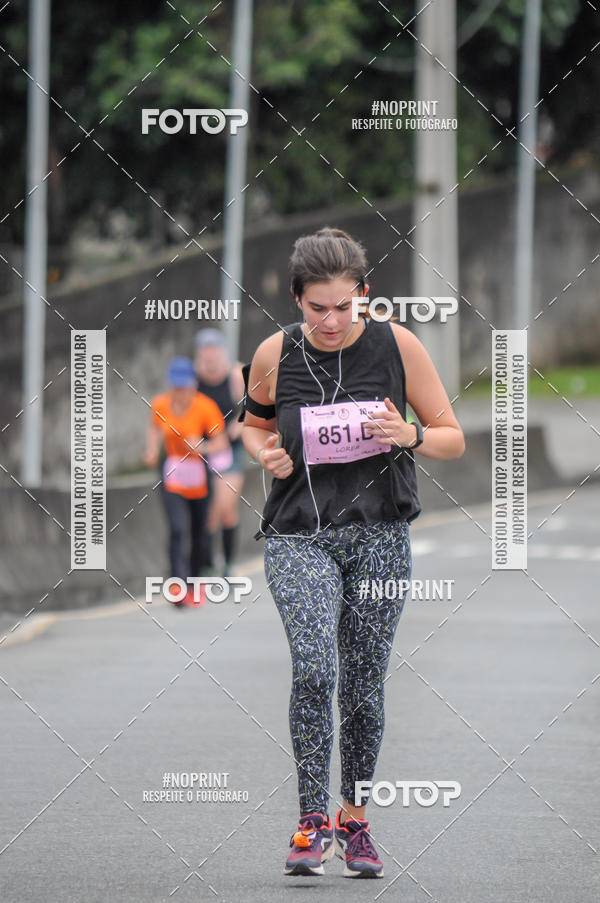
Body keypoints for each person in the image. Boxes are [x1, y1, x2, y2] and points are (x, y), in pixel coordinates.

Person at [240, 227, 465, 878]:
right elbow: (252, 424)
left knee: (363, 685)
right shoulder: (273, 353)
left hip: (379, 536)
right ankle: (312, 820)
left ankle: (355, 817)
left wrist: (410, 432)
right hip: (298, 534)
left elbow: (451, 436)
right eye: (318, 308)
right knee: (314, 668)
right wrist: (266, 454)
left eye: (345, 306)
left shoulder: (398, 345)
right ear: (296, 300)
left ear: (363, 295)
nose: (333, 321)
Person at [144, 356, 229, 606]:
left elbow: (221, 442)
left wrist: (202, 446)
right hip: (172, 473)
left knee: (200, 531)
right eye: (176, 387)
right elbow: (154, 428)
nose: (180, 392)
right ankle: (178, 585)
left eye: (185, 386)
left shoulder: (205, 407)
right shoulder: (160, 404)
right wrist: (151, 450)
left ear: (193, 385)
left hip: (199, 473)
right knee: (178, 528)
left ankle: (194, 582)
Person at [194, 328, 246, 578]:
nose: (211, 356)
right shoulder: (193, 380)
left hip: (231, 449)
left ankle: (228, 563)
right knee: (209, 511)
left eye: (215, 350)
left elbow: (256, 405)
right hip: (203, 450)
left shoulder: (236, 375)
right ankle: (207, 562)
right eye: (206, 351)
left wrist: (237, 427)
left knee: (226, 505)